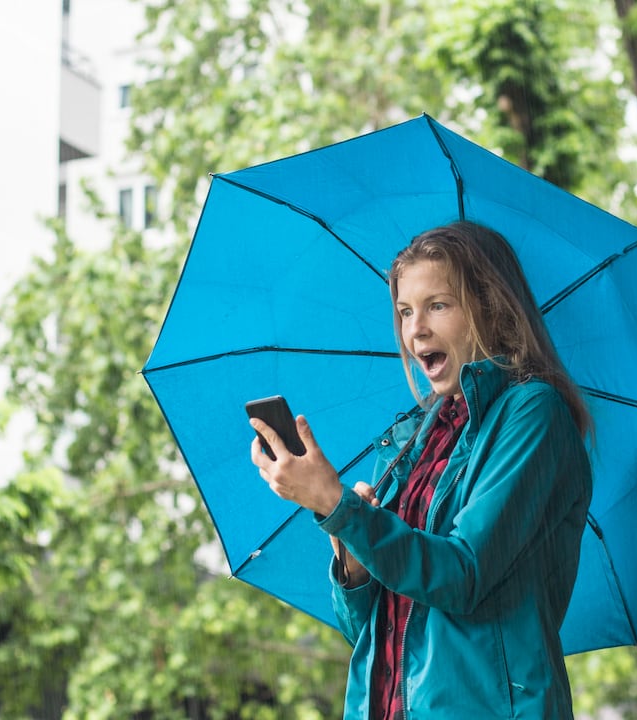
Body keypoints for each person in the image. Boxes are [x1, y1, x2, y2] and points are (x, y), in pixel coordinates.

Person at [250, 220, 593, 718]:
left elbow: (463, 575)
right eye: (406, 311)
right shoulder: (409, 437)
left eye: (438, 305)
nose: (416, 330)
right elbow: (367, 627)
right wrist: (350, 550)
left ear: (491, 308)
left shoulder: (531, 412)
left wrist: (337, 507)